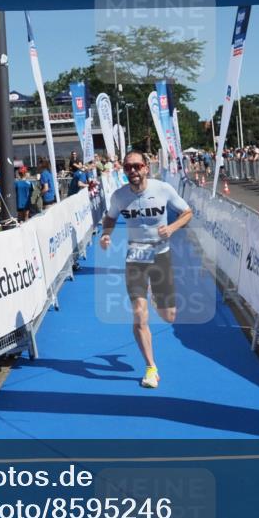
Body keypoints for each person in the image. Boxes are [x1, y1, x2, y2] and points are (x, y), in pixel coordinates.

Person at [99, 151, 194, 389]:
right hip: (135, 258)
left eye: (137, 166)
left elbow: (187, 212)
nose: (132, 171)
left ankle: (154, 298)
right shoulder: (119, 196)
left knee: (168, 315)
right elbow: (110, 218)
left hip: (160, 256)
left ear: (146, 168)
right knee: (140, 314)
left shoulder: (162, 189)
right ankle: (151, 367)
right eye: (127, 167)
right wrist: (106, 235)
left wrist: (171, 228)